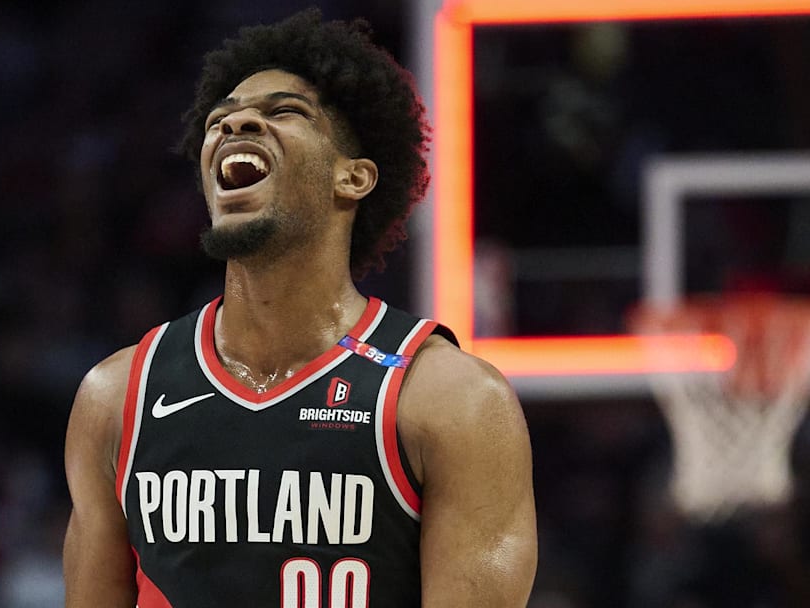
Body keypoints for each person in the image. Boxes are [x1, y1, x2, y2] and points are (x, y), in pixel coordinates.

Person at [63, 8, 537, 607]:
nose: (236, 124)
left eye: (284, 112)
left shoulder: (451, 401)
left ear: (353, 178)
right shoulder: (116, 396)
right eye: (220, 119)